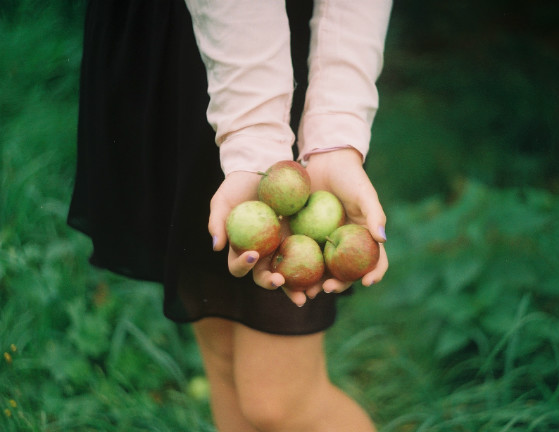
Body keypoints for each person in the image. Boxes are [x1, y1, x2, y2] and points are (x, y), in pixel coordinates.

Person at [68, 0, 391, 430]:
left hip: (283, 61)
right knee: (223, 363)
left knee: (279, 402)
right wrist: (252, 138)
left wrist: (333, 133)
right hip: (180, 47)